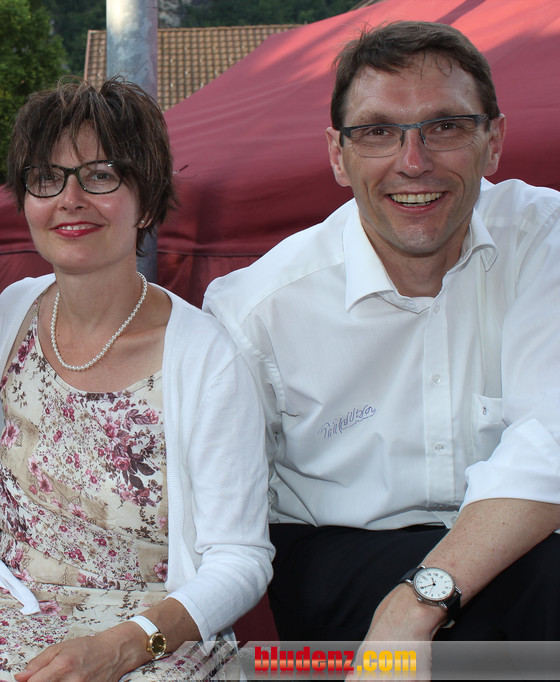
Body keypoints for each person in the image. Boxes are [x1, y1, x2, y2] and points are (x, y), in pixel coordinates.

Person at [203, 20, 560, 651]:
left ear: (494, 142)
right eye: (377, 132)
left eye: (445, 127)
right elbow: (211, 514)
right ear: (338, 155)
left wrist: (416, 606)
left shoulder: (544, 240)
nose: (413, 162)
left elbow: (550, 443)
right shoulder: (255, 312)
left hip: (528, 546)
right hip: (338, 558)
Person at [0, 78, 273, 682]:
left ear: (146, 203)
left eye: (101, 175)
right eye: (47, 177)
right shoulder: (14, 310)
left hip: (162, 626)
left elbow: (242, 559)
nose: (70, 199)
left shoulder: (206, 357)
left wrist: (126, 645)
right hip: (14, 604)